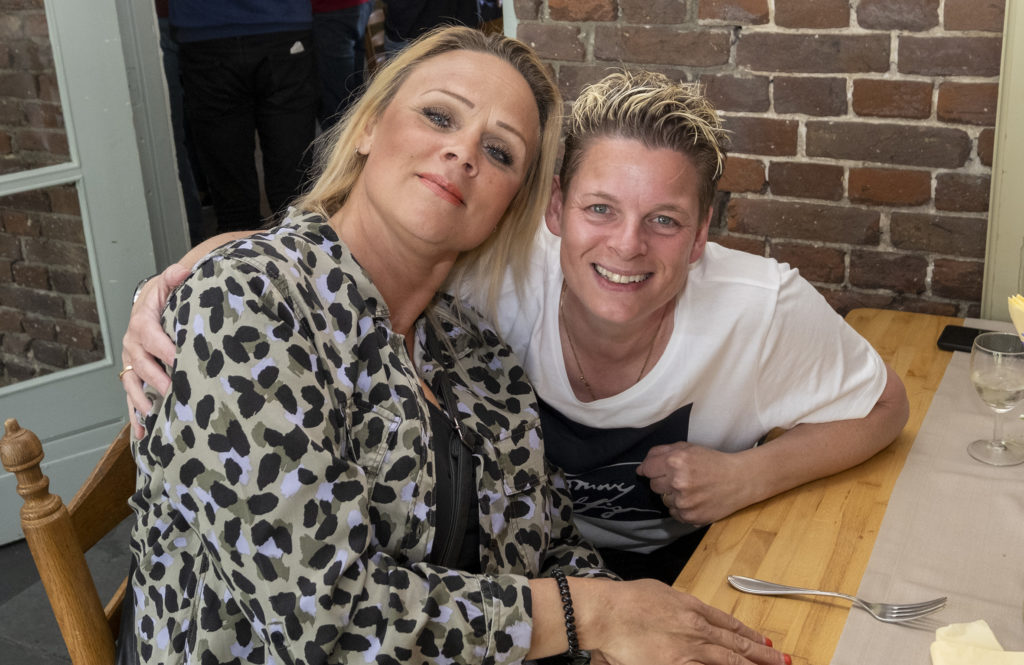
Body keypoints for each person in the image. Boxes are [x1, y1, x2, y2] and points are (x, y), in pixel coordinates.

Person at [119, 27, 788, 665]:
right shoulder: (244, 304)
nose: (464, 152)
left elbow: (549, 541)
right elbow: (327, 623)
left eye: (500, 152)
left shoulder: (474, 347)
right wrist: (597, 613)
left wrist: (640, 629)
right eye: (439, 116)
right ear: (369, 127)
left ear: (514, 205)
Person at [170, 0, 319, 235]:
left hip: (204, 29)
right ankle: (299, 249)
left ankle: (247, 253)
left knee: (235, 206)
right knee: (293, 193)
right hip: (283, 26)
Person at [312, 0, 374, 130]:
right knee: (354, 93)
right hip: (358, 6)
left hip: (332, 9)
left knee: (338, 101)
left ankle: (347, 140)